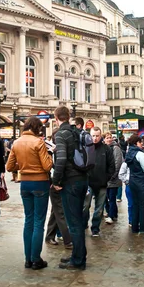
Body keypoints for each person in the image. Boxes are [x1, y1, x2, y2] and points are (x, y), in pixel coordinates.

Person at [6, 117, 53, 270]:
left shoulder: (16, 142)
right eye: (39, 128)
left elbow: (9, 166)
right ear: (35, 128)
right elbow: (47, 166)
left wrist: (24, 165)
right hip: (40, 182)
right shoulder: (38, 142)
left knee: (29, 220)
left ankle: (27, 259)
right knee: (39, 221)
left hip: (24, 184)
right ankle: (36, 259)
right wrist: (51, 155)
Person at [52, 106, 88, 271]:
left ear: (56, 117)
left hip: (70, 181)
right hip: (82, 179)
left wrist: (56, 180)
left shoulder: (61, 134)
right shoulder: (76, 132)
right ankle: (78, 256)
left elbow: (61, 160)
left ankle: (78, 260)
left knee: (73, 222)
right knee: (78, 220)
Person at [84, 127, 114, 237]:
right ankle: (84, 224)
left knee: (99, 208)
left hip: (102, 183)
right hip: (88, 183)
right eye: (93, 135)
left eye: (97, 135)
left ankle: (95, 228)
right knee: (85, 206)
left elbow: (112, 166)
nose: (95, 138)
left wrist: (106, 178)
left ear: (100, 136)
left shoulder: (106, 149)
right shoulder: (86, 148)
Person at [125, 134, 144, 235]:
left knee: (135, 204)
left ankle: (134, 227)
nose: (141, 143)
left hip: (132, 181)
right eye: (140, 142)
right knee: (143, 205)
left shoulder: (129, 153)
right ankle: (143, 228)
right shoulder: (140, 154)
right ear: (136, 143)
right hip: (141, 182)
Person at [104, 132, 123, 225]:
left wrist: (112, 175)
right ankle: (113, 214)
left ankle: (111, 216)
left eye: (110, 137)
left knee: (111, 198)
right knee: (107, 198)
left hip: (113, 179)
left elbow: (118, 163)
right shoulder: (104, 148)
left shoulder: (116, 148)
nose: (109, 139)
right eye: (107, 138)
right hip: (105, 179)